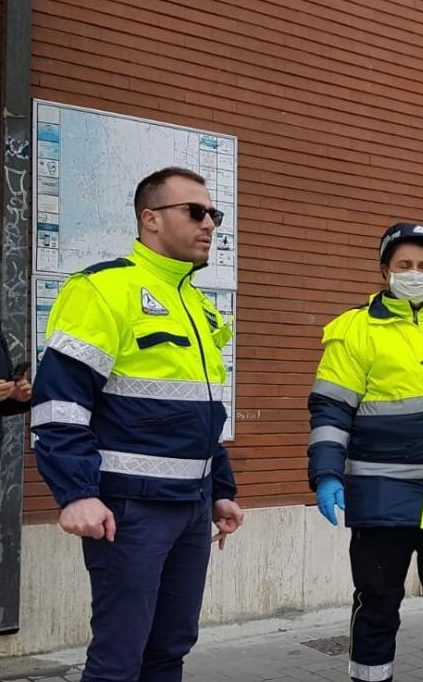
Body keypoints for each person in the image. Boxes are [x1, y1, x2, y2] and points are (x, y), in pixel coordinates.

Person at [32, 167, 243, 682]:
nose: (209, 223)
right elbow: (59, 403)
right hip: (130, 509)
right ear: (150, 219)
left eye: (213, 213)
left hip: (191, 510)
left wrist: (219, 489)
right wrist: (76, 492)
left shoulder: (196, 304)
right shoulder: (104, 290)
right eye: (195, 211)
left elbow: (200, 413)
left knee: (170, 648)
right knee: (118, 658)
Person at [307, 222, 423, 682]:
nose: (416, 273)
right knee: (377, 605)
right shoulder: (354, 331)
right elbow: (331, 410)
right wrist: (327, 474)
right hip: (381, 499)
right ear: (385, 269)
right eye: (405, 265)